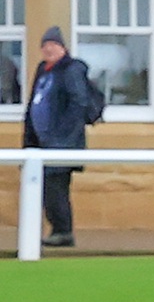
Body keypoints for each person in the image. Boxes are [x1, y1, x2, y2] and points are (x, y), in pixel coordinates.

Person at [22, 26, 103, 248]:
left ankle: (63, 231)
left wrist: (61, 137)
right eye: (45, 45)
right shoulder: (44, 70)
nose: (48, 49)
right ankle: (50, 231)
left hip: (62, 143)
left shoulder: (71, 70)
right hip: (40, 144)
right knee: (43, 188)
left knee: (55, 188)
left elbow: (79, 103)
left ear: (63, 48)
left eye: (53, 45)